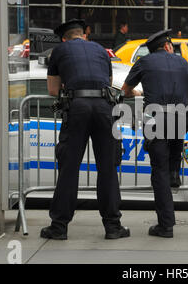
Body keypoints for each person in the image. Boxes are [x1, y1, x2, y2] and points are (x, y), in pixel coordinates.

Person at [41, 19, 130, 240]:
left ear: (64, 38)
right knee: (107, 168)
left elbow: (53, 90)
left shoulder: (58, 51)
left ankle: (59, 227)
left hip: (77, 108)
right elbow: (108, 82)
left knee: (69, 168)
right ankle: (113, 226)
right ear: (84, 35)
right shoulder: (100, 50)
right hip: (103, 108)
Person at [121, 29, 188, 238]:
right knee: (172, 160)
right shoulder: (182, 62)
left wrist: (138, 93)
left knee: (159, 171)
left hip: (156, 119)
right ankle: (174, 173)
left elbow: (126, 90)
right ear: (168, 46)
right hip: (180, 117)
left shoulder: (144, 63)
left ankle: (166, 225)